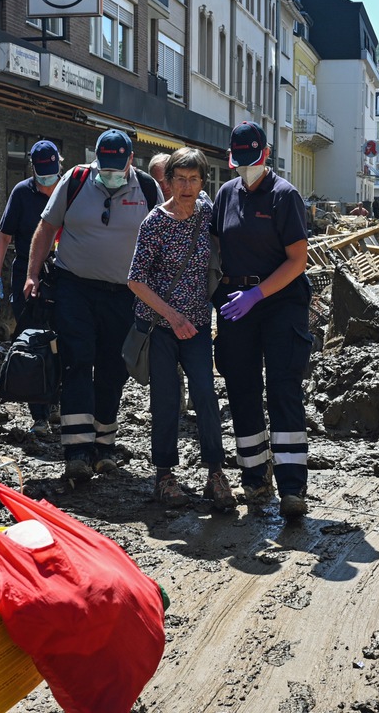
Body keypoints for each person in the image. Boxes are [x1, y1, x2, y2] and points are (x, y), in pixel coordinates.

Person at [24, 129, 162, 480]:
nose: (110, 172)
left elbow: (161, 239)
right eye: (105, 165)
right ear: (95, 158)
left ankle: (104, 448)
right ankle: (77, 451)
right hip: (75, 289)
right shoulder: (76, 179)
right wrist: (32, 275)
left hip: (125, 294)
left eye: (118, 166)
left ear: (131, 161)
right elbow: (45, 228)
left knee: (113, 369)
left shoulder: (147, 189)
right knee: (77, 362)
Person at [212, 122, 313, 519]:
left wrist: (258, 294)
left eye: (252, 161)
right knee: (241, 388)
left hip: (279, 302)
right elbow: (215, 245)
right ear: (231, 157)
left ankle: (291, 487)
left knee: (284, 388)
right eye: (240, 161)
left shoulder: (284, 196)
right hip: (237, 303)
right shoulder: (225, 194)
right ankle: (254, 479)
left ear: (266, 155)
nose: (246, 168)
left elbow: (297, 260)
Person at [127, 148, 234, 510]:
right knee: (166, 400)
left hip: (199, 326)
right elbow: (136, 280)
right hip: (161, 326)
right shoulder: (155, 222)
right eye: (180, 179)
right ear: (167, 181)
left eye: (194, 179)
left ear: (203, 182)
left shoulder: (207, 214)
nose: (186, 187)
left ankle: (215, 472)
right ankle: (164, 475)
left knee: (205, 394)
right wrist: (173, 317)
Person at [0, 139, 61, 436]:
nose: (47, 180)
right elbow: (4, 236)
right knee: (33, 340)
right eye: (42, 173)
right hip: (26, 278)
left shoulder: (68, 187)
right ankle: (39, 414)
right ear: (33, 169)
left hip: (61, 275)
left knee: (62, 339)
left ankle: (57, 401)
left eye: (51, 172)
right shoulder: (22, 193)